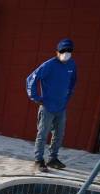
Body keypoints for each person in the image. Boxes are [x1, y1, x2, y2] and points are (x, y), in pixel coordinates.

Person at [26, 38, 77, 173]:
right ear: (57, 52)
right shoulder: (49, 65)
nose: (66, 53)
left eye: (68, 51)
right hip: (48, 106)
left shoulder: (72, 65)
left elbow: (72, 82)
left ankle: (53, 158)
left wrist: (67, 97)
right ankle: (38, 160)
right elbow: (31, 79)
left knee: (59, 134)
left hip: (61, 107)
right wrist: (36, 97)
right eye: (63, 51)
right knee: (43, 134)